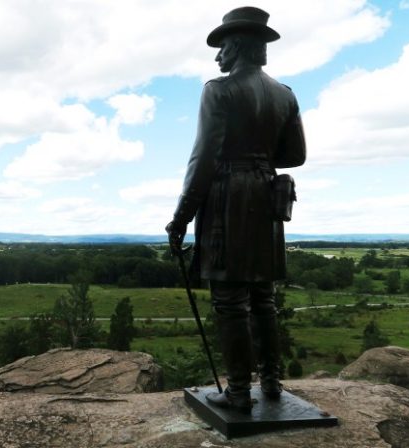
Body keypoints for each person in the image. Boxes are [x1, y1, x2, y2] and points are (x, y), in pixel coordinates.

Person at [165, 6, 306, 413]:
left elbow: (204, 158)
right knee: (263, 299)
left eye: (222, 47)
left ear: (239, 45)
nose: (217, 56)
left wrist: (182, 216)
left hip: (229, 198)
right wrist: (260, 154)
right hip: (266, 195)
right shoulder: (285, 95)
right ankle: (272, 383)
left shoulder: (219, 91)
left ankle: (240, 392)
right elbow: (295, 155)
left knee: (230, 301)